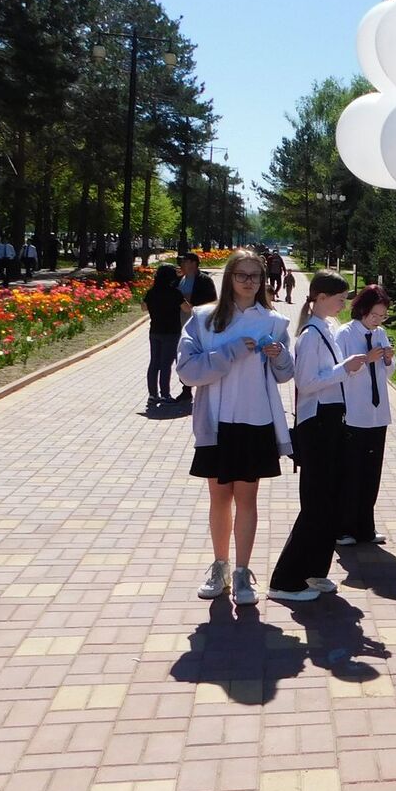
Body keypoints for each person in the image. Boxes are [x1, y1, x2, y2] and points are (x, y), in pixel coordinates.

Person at [176, 250, 294, 607]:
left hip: (255, 422)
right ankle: (220, 565)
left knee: (247, 499)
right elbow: (187, 370)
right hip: (216, 423)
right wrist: (227, 351)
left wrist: (279, 356)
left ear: (262, 280)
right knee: (219, 498)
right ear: (229, 278)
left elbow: (285, 374)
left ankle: (243, 571)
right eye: (242, 275)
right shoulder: (204, 318)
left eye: (254, 276)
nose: (248, 282)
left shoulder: (273, 321)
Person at [269, 271, 368, 603]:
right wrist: (346, 368)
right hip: (317, 425)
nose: (344, 303)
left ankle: (314, 570)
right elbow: (307, 382)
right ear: (321, 297)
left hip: (331, 421)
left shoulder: (326, 327)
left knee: (330, 501)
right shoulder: (311, 334)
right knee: (317, 502)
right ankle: (287, 579)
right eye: (339, 298)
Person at [335, 285, 393, 547]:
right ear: (362, 309)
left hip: (377, 415)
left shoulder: (380, 334)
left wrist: (388, 360)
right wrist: (366, 360)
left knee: (372, 472)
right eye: (374, 315)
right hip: (355, 412)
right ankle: (344, 527)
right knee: (351, 471)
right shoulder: (345, 334)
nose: (377, 321)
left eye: (382, 316)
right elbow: (339, 372)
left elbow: (386, 376)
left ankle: (365, 528)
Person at [173, 252, 218, 403]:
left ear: (193, 263)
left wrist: (197, 309)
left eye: (185, 262)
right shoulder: (179, 280)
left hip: (199, 325)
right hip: (179, 323)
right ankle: (186, 390)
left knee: (199, 355)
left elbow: (213, 302)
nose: (182, 265)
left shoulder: (205, 281)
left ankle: (204, 388)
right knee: (183, 356)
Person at [143, 263, 185, 407]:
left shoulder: (152, 292)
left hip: (155, 330)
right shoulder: (175, 293)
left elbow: (144, 307)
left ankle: (153, 395)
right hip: (171, 332)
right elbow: (187, 308)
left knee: (154, 363)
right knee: (166, 364)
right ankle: (165, 394)